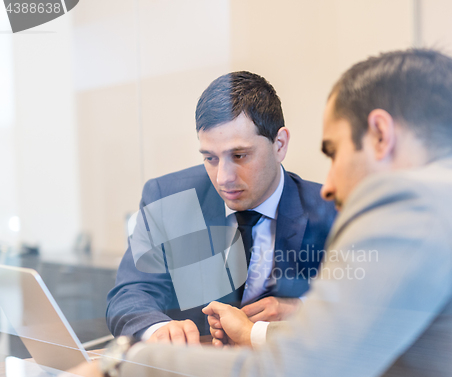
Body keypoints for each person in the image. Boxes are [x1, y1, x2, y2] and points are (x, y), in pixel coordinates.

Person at [59, 49, 452, 377]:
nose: (328, 183)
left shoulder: (407, 210)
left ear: (381, 134)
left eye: (333, 151)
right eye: (211, 158)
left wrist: (123, 369)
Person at [106, 71, 336, 345]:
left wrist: (304, 310)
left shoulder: (331, 209)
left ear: (280, 144)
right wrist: (156, 328)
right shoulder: (168, 199)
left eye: (239, 156)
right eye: (210, 158)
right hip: (197, 373)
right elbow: (130, 293)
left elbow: (369, 304)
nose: (223, 177)